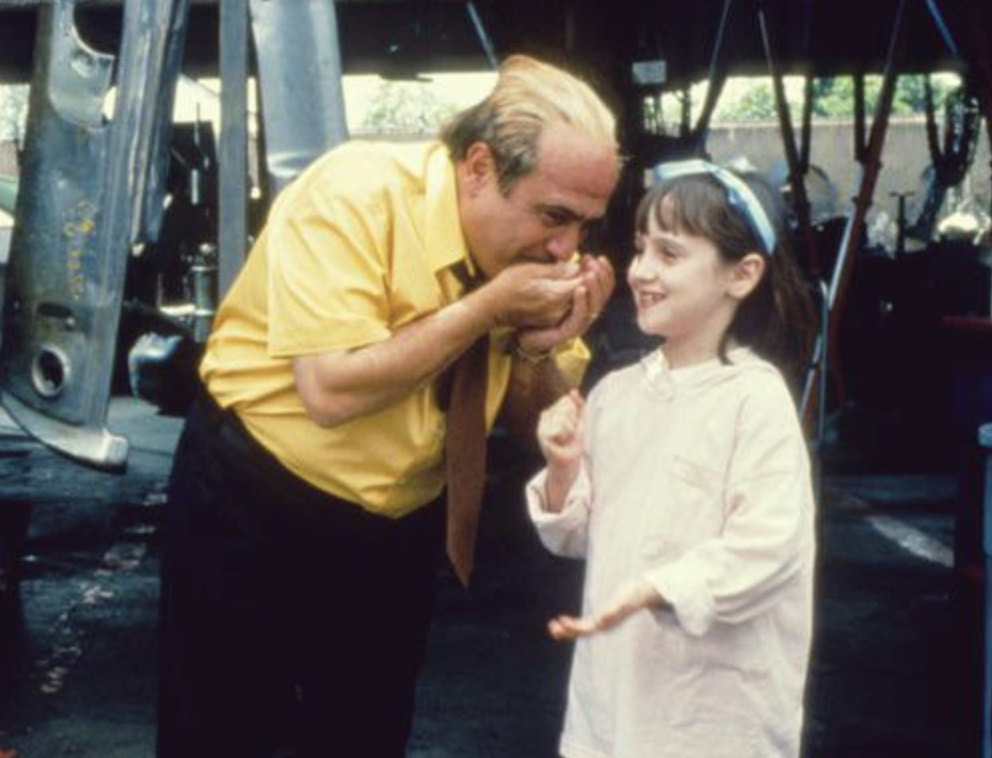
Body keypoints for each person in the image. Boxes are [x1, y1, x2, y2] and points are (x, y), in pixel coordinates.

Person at [157, 55, 620, 758]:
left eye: (585, 225)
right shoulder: (352, 197)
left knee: (365, 734)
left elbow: (538, 426)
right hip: (259, 501)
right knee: (224, 734)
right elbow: (331, 390)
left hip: (396, 527)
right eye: (553, 216)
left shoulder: (533, 263)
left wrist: (540, 347)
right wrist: (485, 309)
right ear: (477, 167)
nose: (566, 248)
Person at [527, 159, 817, 758]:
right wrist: (561, 467)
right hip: (613, 704)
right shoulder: (615, 395)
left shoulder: (753, 400)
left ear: (742, 275)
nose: (640, 271)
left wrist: (654, 589)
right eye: (639, 250)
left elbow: (769, 548)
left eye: (669, 253)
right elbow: (577, 534)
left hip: (714, 720)